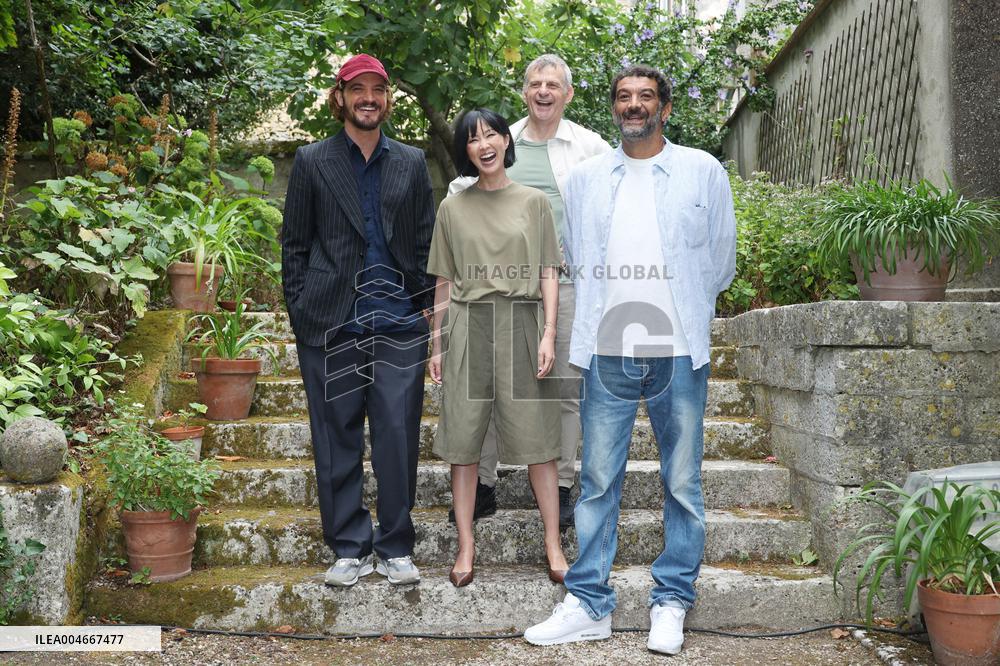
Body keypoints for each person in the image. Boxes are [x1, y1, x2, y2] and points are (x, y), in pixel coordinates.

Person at [524, 64, 736, 654]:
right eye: (624, 97)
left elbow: (721, 261)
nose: (634, 105)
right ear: (613, 107)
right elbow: (575, 255)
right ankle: (589, 603)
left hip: (679, 350)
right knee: (595, 481)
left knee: (683, 482)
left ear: (665, 108)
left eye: (646, 97)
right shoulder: (587, 179)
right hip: (608, 350)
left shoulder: (702, 170)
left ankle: (671, 601)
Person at [281, 54, 435, 588]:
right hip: (330, 322)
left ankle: (395, 545)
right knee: (335, 437)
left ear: (387, 98)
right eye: (357, 89)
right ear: (340, 97)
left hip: (397, 322)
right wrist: (302, 312)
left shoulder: (412, 162)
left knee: (397, 434)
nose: (368, 97)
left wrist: (425, 311)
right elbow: (295, 245)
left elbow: (422, 242)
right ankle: (348, 545)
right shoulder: (311, 161)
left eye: (377, 89)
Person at [448, 54, 611, 529]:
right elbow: (467, 189)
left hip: (567, 283)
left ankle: (559, 485)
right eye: (535, 83)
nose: (543, 91)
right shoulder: (502, 138)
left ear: (568, 93)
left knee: (562, 387)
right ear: (524, 91)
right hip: (504, 288)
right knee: (490, 388)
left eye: (553, 84)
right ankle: (482, 482)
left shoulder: (590, 147)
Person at [428, 108, 570, 587]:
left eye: (491, 134)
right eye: (473, 139)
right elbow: (444, 281)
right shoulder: (452, 207)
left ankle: (553, 542)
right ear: (465, 150)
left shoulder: (534, 203)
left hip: (522, 324)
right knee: (465, 442)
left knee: (539, 442)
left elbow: (549, 271)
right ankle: (466, 546)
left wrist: (549, 332)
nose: (484, 144)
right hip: (468, 324)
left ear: (506, 142)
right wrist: (437, 344)